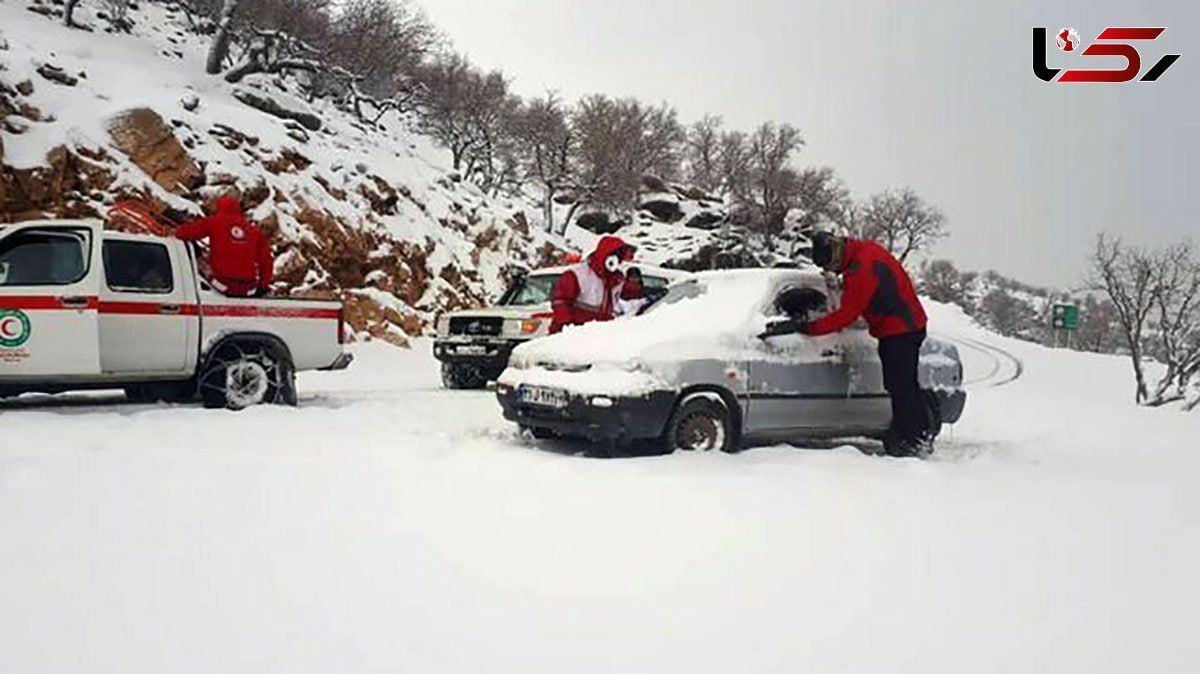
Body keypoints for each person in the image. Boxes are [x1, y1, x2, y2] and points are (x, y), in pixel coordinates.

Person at [760, 232, 931, 457]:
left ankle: (912, 439)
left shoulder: (861, 270)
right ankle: (914, 434)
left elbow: (844, 316)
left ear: (836, 250)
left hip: (901, 330)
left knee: (901, 386)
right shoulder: (863, 251)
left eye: (832, 265)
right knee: (903, 384)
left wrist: (806, 328)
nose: (835, 270)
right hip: (903, 326)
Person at [174, 196, 274, 297]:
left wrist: (176, 230)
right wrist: (263, 285)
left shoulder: (214, 222)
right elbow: (267, 261)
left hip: (222, 284)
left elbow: (184, 234)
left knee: (198, 258)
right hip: (248, 288)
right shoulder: (253, 231)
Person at [549, 235, 636, 334]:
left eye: (619, 257)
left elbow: (629, 295)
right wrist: (568, 327)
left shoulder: (616, 279)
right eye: (613, 255)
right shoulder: (577, 274)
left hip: (599, 332)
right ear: (604, 254)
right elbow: (560, 301)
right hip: (574, 331)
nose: (617, 261)